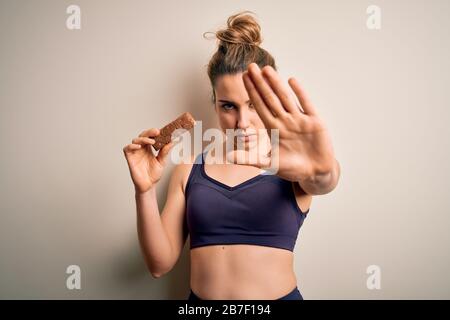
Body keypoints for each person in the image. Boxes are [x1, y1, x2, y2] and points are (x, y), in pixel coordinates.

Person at [122, 10, 340, 300]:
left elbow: (324, 179)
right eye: (228, 106)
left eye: (253, 105)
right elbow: (159, 265)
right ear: (214, 103)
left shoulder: (294, 163)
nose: (242, 122)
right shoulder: (190, 169)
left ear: (270, 101)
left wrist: (321, 168)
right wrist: (144, 191)